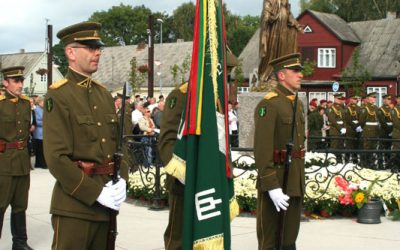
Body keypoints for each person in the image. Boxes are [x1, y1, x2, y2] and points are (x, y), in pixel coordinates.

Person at [43, 21, 128, 250]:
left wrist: (122, 180)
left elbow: (120, 144)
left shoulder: (103, 95)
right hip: (75, 207)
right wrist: (96, 192)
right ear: (71, 52)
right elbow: (56, 158)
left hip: (105, 206)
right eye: (90, 47)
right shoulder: (59, 95)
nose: (97, 52)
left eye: (98, 47)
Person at [254, 53, 305, 250]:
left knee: (289, 236)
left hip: (293, 178)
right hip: (277, 179)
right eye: (296, 71)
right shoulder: (269, 104)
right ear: (282, 75)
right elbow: (262, 148)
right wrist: (271, 185)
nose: (300, 75)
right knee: (271, 238)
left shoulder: (296, 103)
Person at [0, 66, 34, 249]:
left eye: (22, 80)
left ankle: (20, 243)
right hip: (3, 162)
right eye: (16, 81)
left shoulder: (25, 103)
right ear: (6, 83)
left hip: (21, 161)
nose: (21, 85)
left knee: (21, 205)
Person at [158, 81, 188, 250]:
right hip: (183, 181)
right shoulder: (182, 95)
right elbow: (167, 140)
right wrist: (181, 172)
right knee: (178, 240)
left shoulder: (216, 97)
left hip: (210, 179)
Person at [359, 92, 379, 168]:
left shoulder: (376, 108)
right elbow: (361, 120)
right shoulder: (365, 108)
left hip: (375, 130)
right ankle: (365, 164)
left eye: (374, 97)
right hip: (368, 130)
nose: (374, 99)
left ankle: (372, 163)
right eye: (372, 97)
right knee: (367, 147)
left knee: (373, 147)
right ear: (368, 99)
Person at [327, 93, 346, 162]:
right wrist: (340, 128)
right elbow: (332, 120)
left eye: (340, 99)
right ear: (334, 99)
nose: (339, 100)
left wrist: (344, 127)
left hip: (342, 130)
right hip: (335, 130)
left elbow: (344, 119)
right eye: (338, 99)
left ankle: (340, 162)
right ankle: (333, 162)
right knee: (334, 148)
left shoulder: (341, 108)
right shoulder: (331, 108)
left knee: (340, 148)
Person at [138, 103, 157, 167]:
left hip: (151, 137)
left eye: (149, 111)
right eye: (148, 111)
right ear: (145, 113)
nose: (149, 113)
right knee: (147, 151)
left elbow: (154, 126)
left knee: (151, 151)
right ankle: (147, 165)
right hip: (145, 137)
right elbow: (142, 127)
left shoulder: (151, 119)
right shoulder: (142, 119)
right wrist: (150, 130)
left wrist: (153, 130)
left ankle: (150, 163)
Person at [377, 94, 393, 164]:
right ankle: (380, 163)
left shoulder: (392, 109)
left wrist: (392, 130)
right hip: (384, 131)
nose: (387, 101)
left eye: (389, 99)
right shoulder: (380, 109)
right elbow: (382, 121)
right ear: (383, 100)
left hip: (391, 130)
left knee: (389, 148)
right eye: (386, 99)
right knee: (381, 148)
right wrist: (389, 130)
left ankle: (388, 163)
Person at [33, 96, 46, 169]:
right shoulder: (36, 110)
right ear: (39, 102)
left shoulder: (42, 109)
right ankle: (42, 164)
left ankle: (38, 163)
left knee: (40, 149)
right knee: (40, 150)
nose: (44, 103)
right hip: (38, 133)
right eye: (43, 102)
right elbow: (36, 121)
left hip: (42, 133)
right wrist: (46, 123)